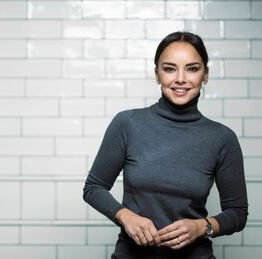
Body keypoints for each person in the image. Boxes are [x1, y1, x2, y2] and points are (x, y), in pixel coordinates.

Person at [83, 31, 248, 259]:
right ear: (157, 74)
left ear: (205, 75)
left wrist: (202, 227)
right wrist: (125, 215)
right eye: (170, 68)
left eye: (192, 68)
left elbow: (237, 213)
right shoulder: (128, 124)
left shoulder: (222, 138)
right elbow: (93, 188)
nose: (180, 78)